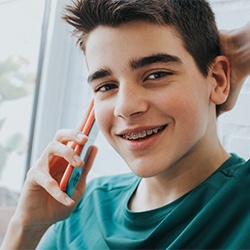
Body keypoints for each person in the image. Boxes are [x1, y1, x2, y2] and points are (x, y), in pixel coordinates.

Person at [1, 0, 250, 249]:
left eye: (156, 75)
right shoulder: (79, 207)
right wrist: (25, 227)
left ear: (217, 80)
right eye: (106, 86)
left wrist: (241, 45)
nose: (125, 107)